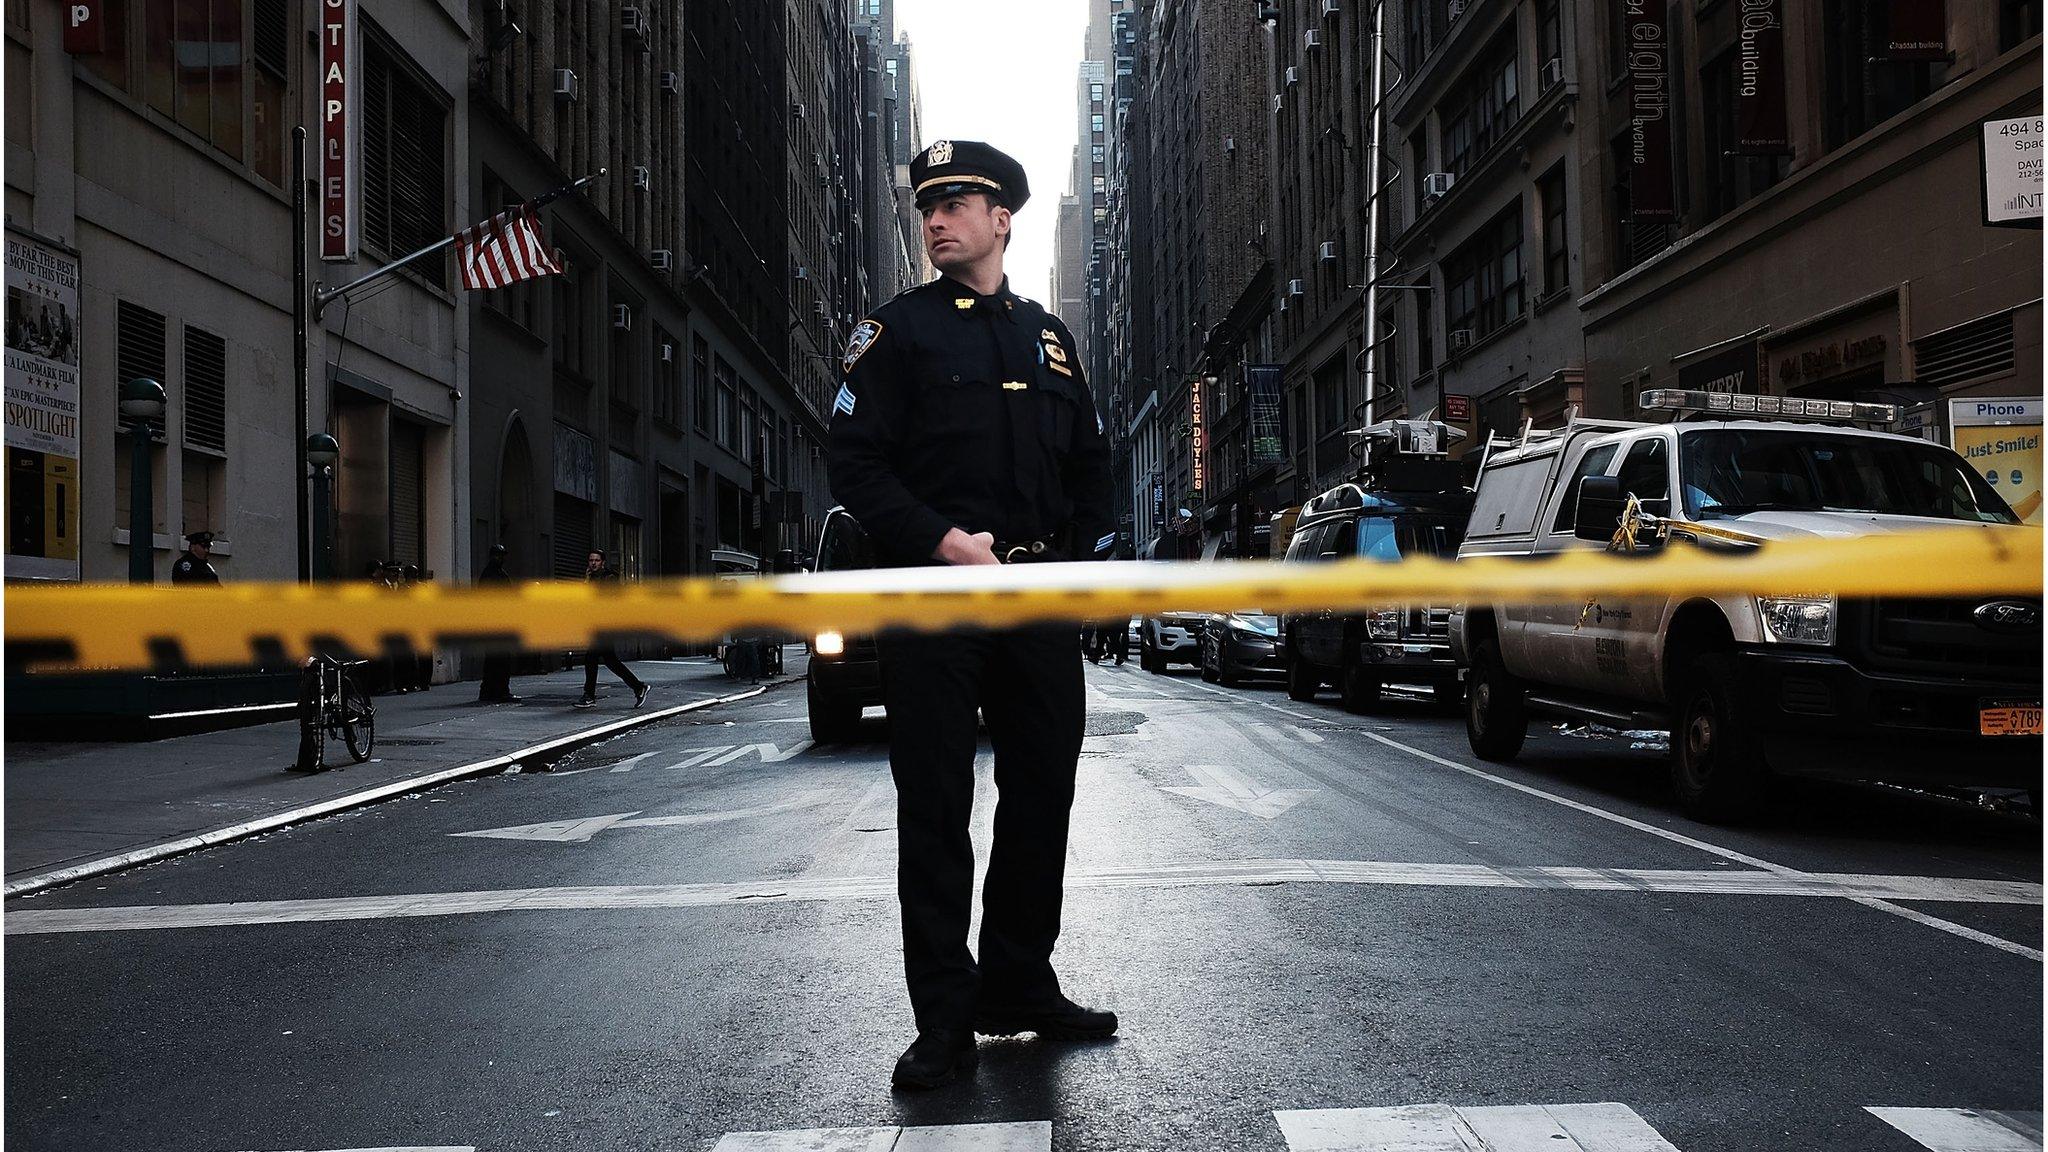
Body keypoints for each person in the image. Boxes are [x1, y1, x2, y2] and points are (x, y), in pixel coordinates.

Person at [827, 139, 1119, 1092]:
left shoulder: (1050, 339)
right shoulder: (896, 332)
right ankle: (944, 1024)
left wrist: (1079, 565)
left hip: (1035, 603)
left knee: (1042, 796)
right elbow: (856, 466)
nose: (935, 217)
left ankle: (1020, 985)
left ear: (1003, 219)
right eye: (927, 204)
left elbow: (1090, 466)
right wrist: (942, 539)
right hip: (934, 599)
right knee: (938, 811)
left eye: (956, 202)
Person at [576, 549, 649, 709]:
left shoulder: (610, 578)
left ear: (603, 562)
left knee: (591, 658)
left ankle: (589, 695)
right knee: (611, 661)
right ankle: (638, 687)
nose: (593, 563)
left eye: (596, 560)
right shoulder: (591, 579)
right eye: (591, 560)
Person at [476, 544, 520, 704]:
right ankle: (499, 691)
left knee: (495, 660)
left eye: (502, 556)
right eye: (498, 555)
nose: (501, 559)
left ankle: (491, 691)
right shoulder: (492, 575)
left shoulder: (495, 574)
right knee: (499, 660)